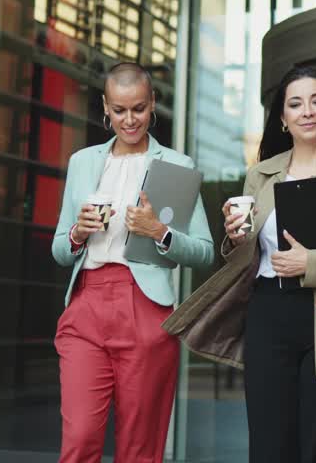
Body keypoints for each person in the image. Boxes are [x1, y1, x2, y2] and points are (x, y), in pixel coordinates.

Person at [163, 66, 316, 463]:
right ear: (282, 118)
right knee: (269, 445)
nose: (307, 112)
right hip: (269, 315)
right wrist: (234, 239)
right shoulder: (260, 175)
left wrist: (311, 262)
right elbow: (245, 257)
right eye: (295, 104)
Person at [51, 62, 215, 463]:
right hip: (86, 306)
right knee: (79, 439)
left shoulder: (178, 166)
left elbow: (205, 251)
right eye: (119, 110)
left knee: (140, 448)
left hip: (146, 308)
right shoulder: (82, 162)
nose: (129, 120)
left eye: (138, 109)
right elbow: (59, 249)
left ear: (153, 103)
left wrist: (159, 231)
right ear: (105, 107)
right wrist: (78, 232)